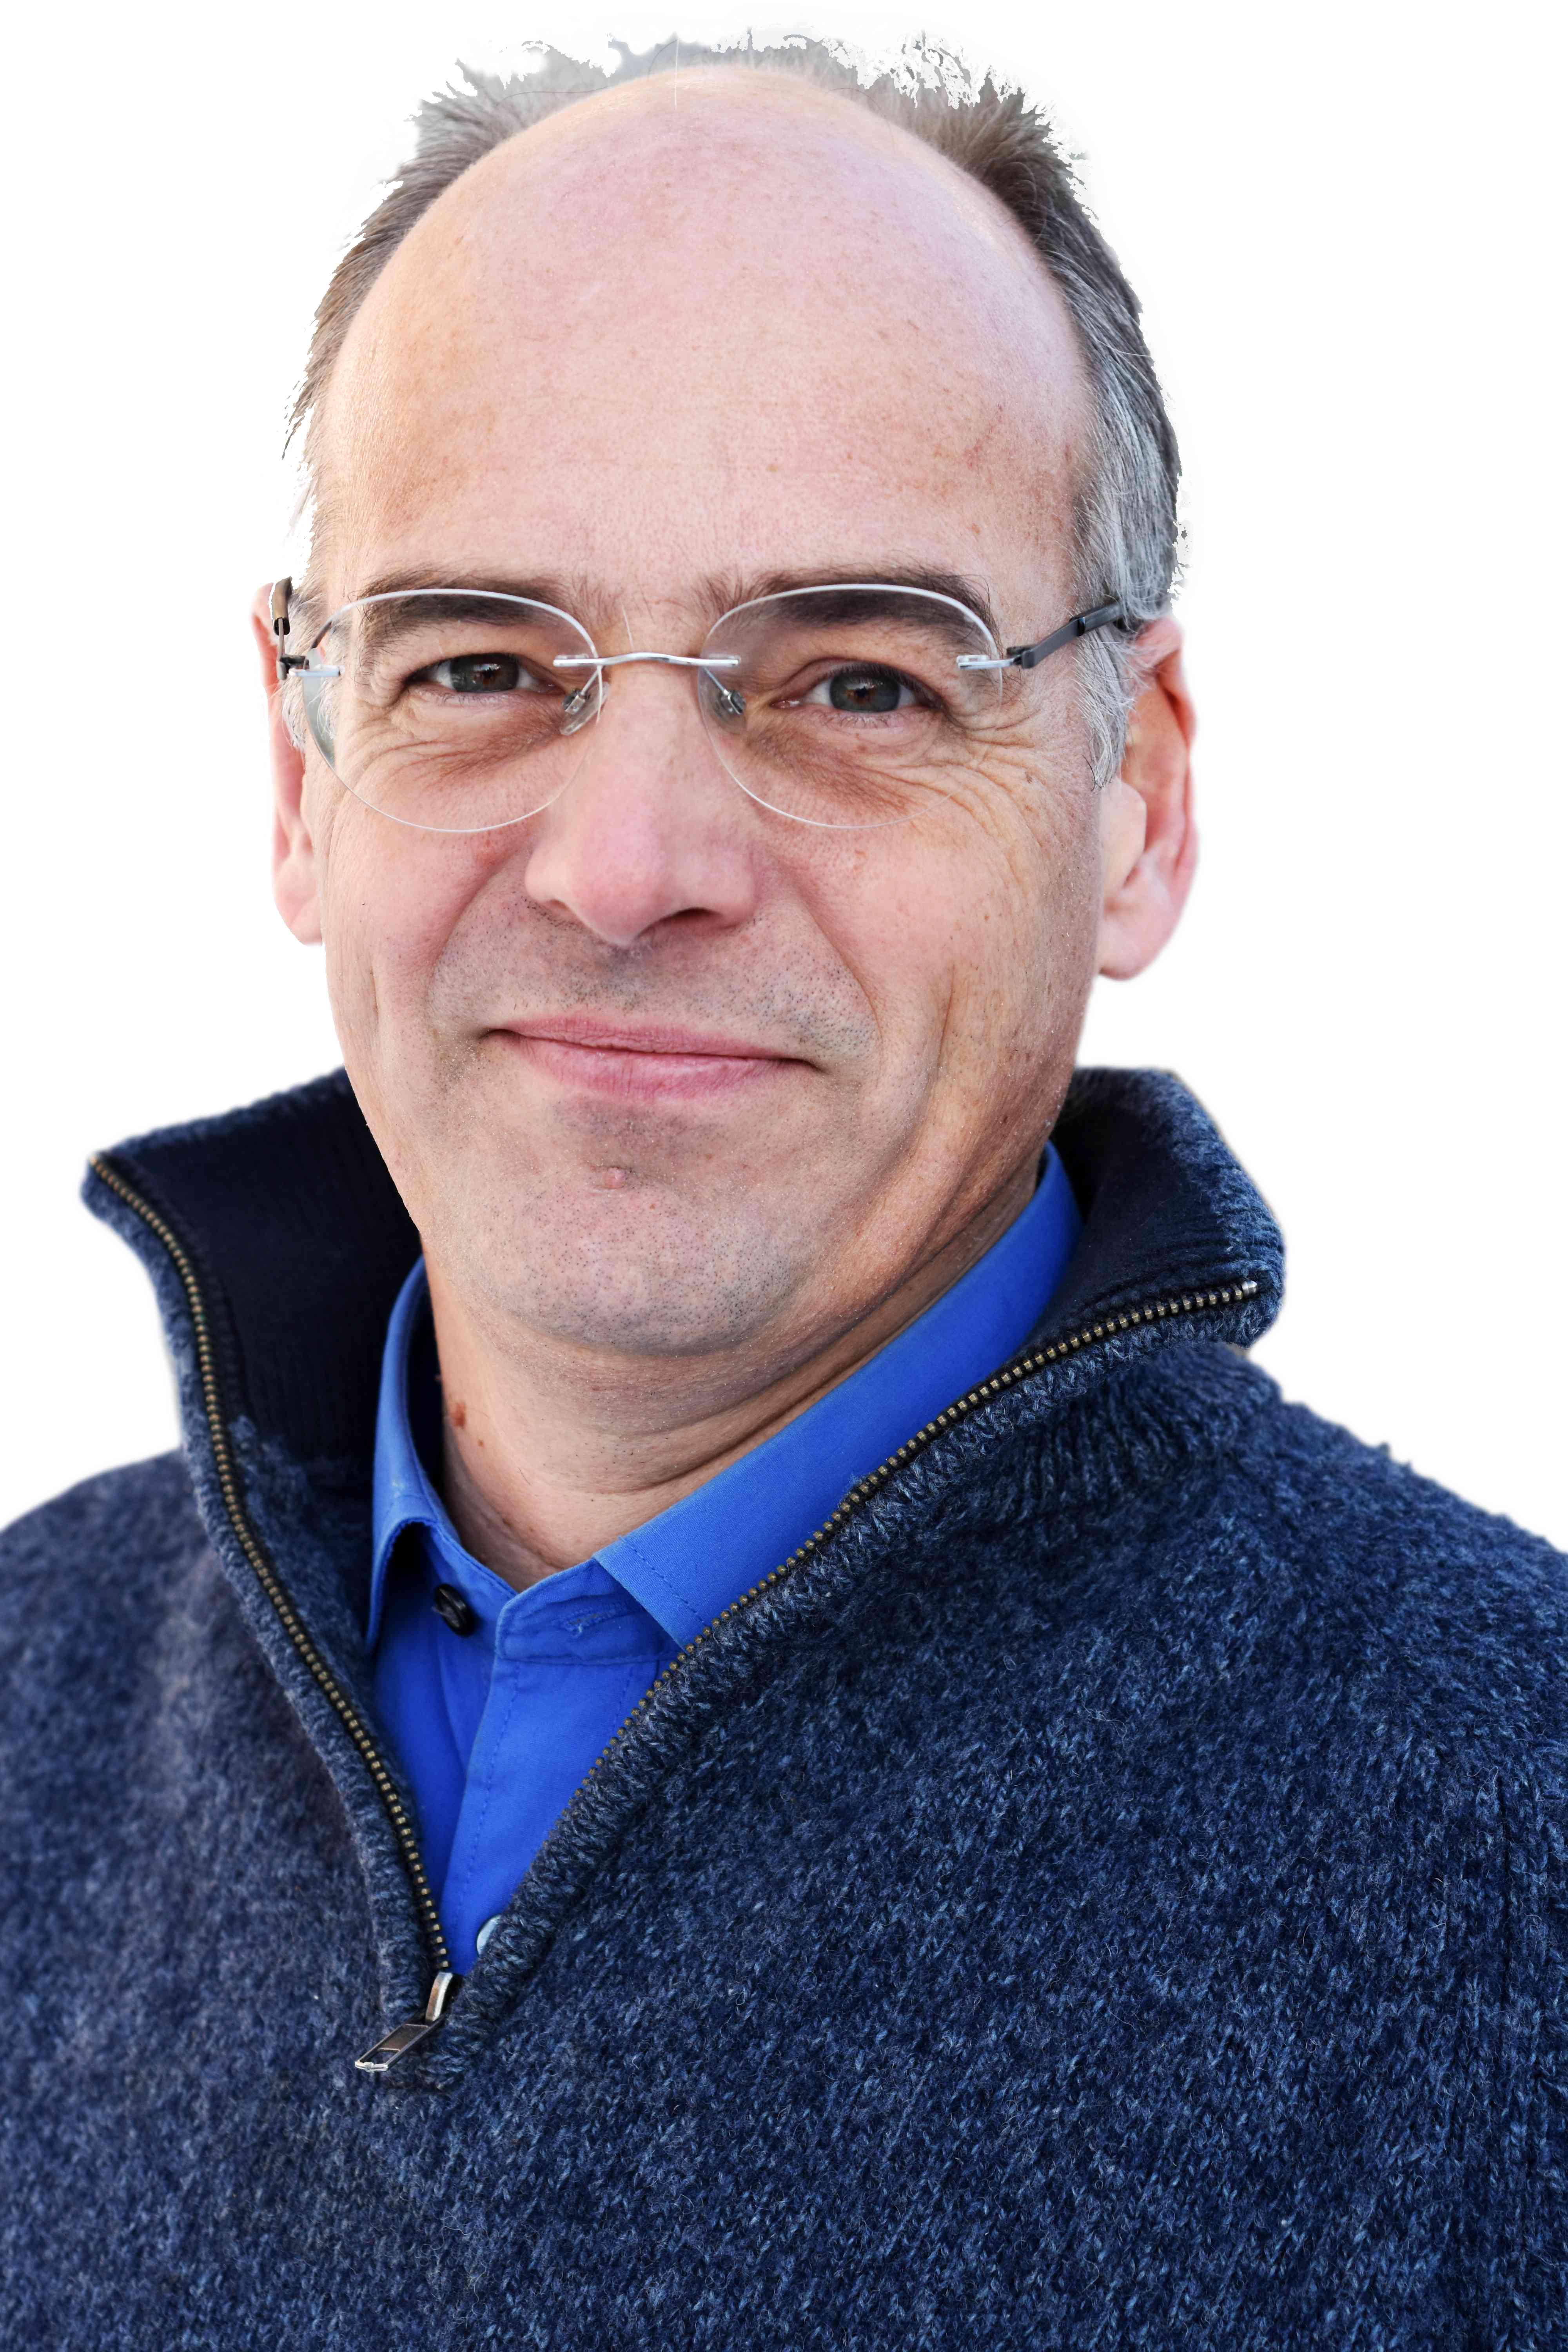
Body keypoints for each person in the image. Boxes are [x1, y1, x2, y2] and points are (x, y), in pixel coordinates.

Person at [2, 38, 1563, 2349]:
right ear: (301, 772)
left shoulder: (1521, 1860)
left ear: (1135, 800)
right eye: (481, 663)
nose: (629, 864)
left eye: (855, 683)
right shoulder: (24, 1705)